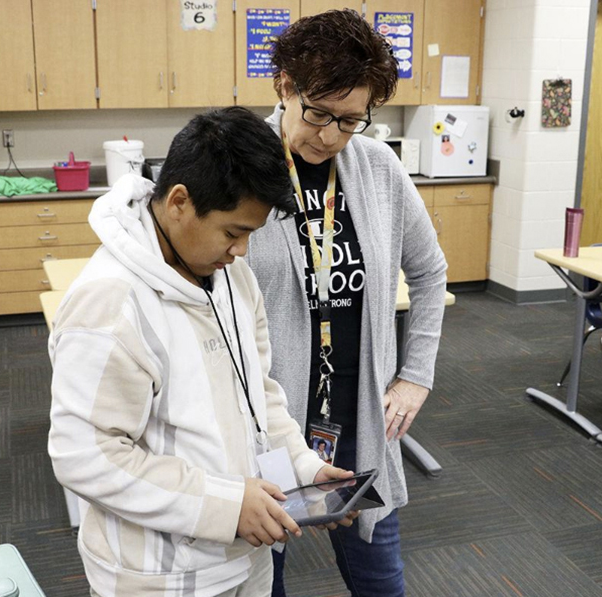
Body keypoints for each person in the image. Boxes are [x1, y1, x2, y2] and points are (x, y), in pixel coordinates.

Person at [48, 107, 355, 597]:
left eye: (251, 235)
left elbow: (260, 396)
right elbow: (85, 454)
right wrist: (224, 505)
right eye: (233, 232)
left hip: (242, 555)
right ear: (178, 203)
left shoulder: (232, 277)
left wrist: (304, 468)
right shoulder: (109, 303)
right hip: (158, 576)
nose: (241, 252)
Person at [245, 10, 448, 597]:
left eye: (351, 120)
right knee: (264, 578)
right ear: (284, 85)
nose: (330, 136)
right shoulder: (240, 166)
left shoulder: (377, 168)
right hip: (268, 428)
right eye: (318, 114)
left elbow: (430, 272)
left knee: (381, 580)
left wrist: (415, 377)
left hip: (357, 421)